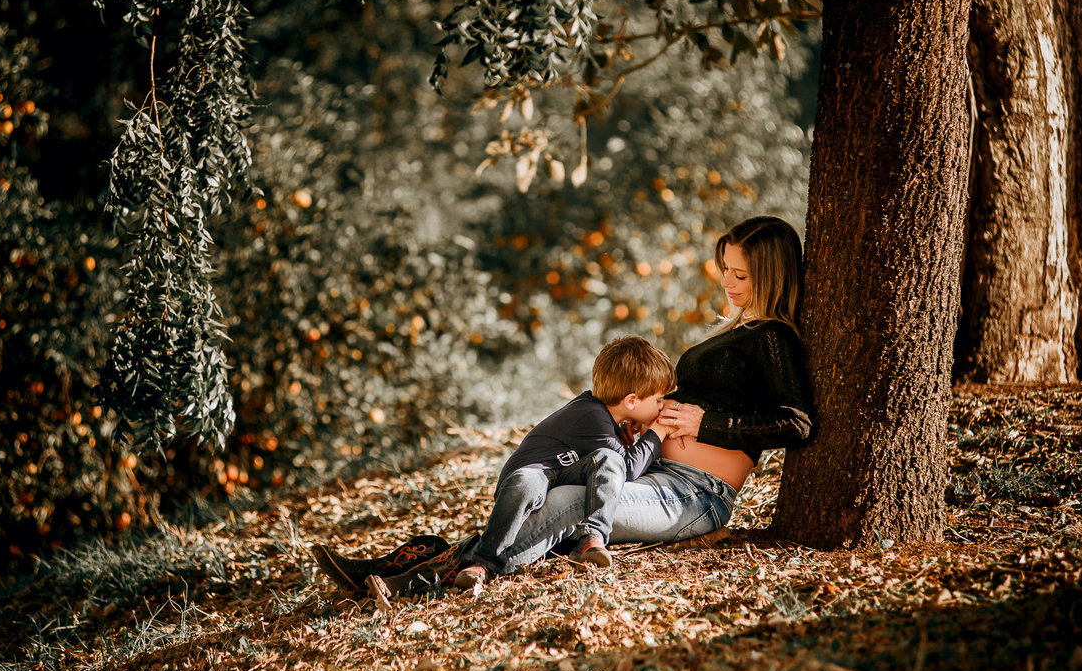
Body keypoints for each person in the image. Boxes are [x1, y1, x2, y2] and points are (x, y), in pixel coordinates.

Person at [331, 215, 813, 600]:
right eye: (724, 269)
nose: (727, 282)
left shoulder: (774, 337)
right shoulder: (736, 331)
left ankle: (429, 578)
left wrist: (707, 423)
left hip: (695, 494)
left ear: (770, 275)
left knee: (567, 503)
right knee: (544, 498)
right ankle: (404, 567)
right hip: (655, 473)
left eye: (740, 274)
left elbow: (796, 425)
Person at [448, 335, 675, 590]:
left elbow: (615, 465)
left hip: (561, 473)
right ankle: (483, 562)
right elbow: (631, 469)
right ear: (631, 401)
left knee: (610, 460)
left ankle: (592, 538)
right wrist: (657, 432)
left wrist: (621, 435)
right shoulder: (591, 415)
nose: (661, 407)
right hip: (534, 472)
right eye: (658, 400)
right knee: (527, 483)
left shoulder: (604, 418)